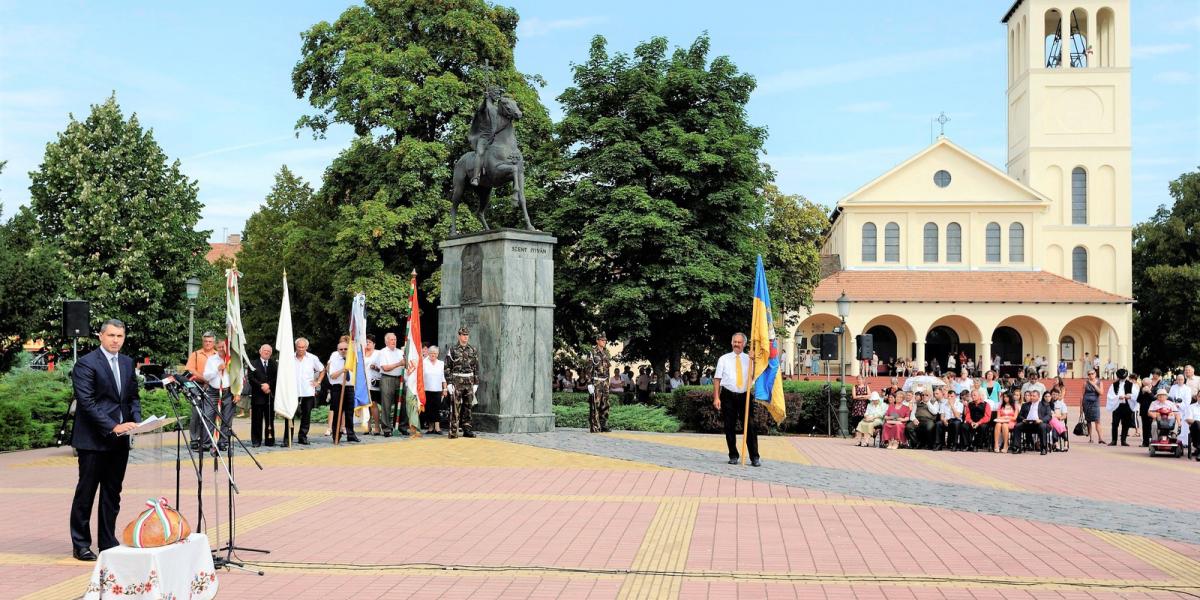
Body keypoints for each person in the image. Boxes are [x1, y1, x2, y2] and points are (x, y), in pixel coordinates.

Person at [69, 319, 141, 561]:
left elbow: (133, 397)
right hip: (93, 440)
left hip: (120, 441)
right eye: (111, 335)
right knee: (86, 492)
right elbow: (87, 404)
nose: (115, 340)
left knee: (112, 492)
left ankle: (108, 542)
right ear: (100, 336)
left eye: (120, 336)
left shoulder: (127, 362)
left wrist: (137, 421)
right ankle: (80, 544)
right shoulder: (86, 364)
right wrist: (113, 425)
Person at [712, 332, 760, 466]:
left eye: (739, 342)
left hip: (745, 395)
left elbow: (756, 375)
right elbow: (717, 379)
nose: (736, 344)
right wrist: (716, 397)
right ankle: (733, 455)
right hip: (728, 396)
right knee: (729, 426)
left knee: (750, 426)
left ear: (744, 344)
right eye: (735, 342)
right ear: (731, 343)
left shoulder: (749, 358)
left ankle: (754, 457)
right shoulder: (724, 359)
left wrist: (754, 361)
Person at [184, 332, 219, 451]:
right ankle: (194, 439)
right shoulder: (196, 354)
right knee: (196, 413)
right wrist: (205, 379)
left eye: (210, 341)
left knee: (209, 414)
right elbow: (190, 370)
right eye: (205, 341)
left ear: (214, 342)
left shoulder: (218, 355)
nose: (208, 343)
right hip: (197, 385)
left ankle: (206, 439)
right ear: (202, 341)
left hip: (213, 387)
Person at [202, 340, 239, 451]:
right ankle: (207, 442)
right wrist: (217, 369)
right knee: (208, 416)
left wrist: (238, 392)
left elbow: (238, 377)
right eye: (219, 347)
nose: (221, 349)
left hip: (228, 392)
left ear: (227, 347)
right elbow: (206, 376)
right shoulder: (211, 360)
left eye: (223, 347)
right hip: (213, 391)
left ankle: (223, 442)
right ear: (216, 347)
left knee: (227, 418)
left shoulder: (233, 360)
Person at [445, 325, 479, 439]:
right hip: (457, 381)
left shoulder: (472, 349)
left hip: (469, 381)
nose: (465, 337)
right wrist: (449, 383)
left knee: (468, 406)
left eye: (467, 335)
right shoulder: (452, 350)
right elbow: (447, 367)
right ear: (459, 336)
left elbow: (476, 367)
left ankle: (467, 429)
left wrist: (476, 383)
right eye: (463, 335)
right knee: (455, 406)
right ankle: (454, 431)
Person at [289, 338, 324, 445]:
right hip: (292, 391)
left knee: (306, 414)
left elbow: (322, 370)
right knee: (290, 414)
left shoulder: (313, 358)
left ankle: (302, 436)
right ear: (296, 347)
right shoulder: (289, 357)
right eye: (299, 347)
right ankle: (288, 438)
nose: (300, 349)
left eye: (303, 347)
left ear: (306, 347)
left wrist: (318, 381)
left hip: (308, 390)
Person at [326, 337, 360, 443]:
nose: (343, 351)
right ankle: (336, 435)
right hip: (338, 387)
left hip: (349, 387)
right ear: (338, 350)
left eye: (346, 349)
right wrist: (343, 370)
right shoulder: (334, 359)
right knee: (337, 412)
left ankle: (351, 434)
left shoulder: (352, 357)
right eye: (341, 349)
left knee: (349, 412)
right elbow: (332, 376)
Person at [247, 343, 276, 447]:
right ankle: (256, 441)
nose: (267, 352)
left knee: (270, 419)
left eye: (269, 351)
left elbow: (276, 378)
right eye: (265, 350)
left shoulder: (274, 364)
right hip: (257, 396)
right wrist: (261, 386)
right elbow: (251, 378)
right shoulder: (253, 363)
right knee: (256, 420)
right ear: (260, 351)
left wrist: (269, 386)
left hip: (269, 396)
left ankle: (270, 440)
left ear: (271, 353)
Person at [582, 333, 612, 433]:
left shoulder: (606, 353)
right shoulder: (592, 353)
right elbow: (588, 369)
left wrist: (608, 382)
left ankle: (604, 425)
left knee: (605, 404)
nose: (604, 342)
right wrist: (589, 383)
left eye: (605, 340)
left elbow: (608, 369)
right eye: (602, 340)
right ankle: (595, 426)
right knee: (595, 405)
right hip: (596, 381)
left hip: (605, 382)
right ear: (597, 341)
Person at [376, 333, 404, 437]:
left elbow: (404, 364)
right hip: (387, 378)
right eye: (391, 339)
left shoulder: (400, 352)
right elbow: (385, 368)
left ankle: (401, 426)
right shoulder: (383, 352)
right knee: (386, 404)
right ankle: (386, 428)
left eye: (395, 339)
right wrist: (399, 364)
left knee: (402, 403)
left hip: (400, 379)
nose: (394, 341)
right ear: (386, 341)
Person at [1013, 389, 1051, 455]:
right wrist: (1023, 419)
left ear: (1038, 397)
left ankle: (1043, 448)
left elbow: (1049, 416)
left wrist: (1041, 420)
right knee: (1017, 426)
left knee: (1042, 426)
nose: (1032, 397)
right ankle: (1017, 448)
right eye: (1031, 396)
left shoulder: (1045, 405)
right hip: (1028, 424)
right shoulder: (1025, 405)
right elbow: (1020, 416)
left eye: (1034, 396)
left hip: (1039, 424)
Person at [1106, 368, 1137, 446]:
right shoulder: (1113, 385)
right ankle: (1114, 440)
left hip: (1127, 405)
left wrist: (1129, 396)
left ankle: (1123, 440)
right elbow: (1110, 395)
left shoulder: (1131, 384)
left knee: (1126, 423)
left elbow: (1136, 394)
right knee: (1115, 423)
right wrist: (1118, 397)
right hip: (1117, 405)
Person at [421, 345, 447, 435]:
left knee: (437, 409)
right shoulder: (424, 362)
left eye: (435, 353)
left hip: (437, 389)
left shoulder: (441, 363)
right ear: (428, 353)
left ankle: (437, 428)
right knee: (428, 409)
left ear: (438, 354)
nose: (433, 355)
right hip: (426, 389)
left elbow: (443, 377)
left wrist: (445, 389)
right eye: (431, 353)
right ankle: (430, 428)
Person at [362, 335, 382, 435]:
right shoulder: (361, 353)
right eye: (366, 342)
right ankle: (367, 426)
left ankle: (377, 427)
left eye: (369, 342)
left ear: (374, 344)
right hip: (363, 383)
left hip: (373, 382)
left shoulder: (378, 353)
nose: (367, 344)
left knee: (373, 404)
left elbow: (382, 367)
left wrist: (376, 367)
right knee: (365, 405)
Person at [1081, 369, 1104, 444]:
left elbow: (1101, 393)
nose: (1091, 375)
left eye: (1092, 373)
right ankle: (1091, 438)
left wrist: (1094, 385)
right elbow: (1082, 395)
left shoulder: (1099, 382)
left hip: (1095, 403)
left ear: (1095, 374)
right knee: (1088, 421)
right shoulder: (1085, 383)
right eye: (1089, 374)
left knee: (1097, 420)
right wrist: (1081, 408)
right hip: (1086, 403)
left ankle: (1100, 438)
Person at [1137, 375, 1155, 447]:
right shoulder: (1141, 389)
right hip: (1144, 411)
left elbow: (1155, 399)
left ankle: (1153, 442)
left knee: (1153, 426)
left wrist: (1150, 392)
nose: (1146, 386)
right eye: (1144, 384)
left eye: (1147, 384)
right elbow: (1138, 400)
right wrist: (1142, 393)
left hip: (1153, 411)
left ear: (1151, 383)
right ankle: (1145, 442)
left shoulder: (1155, 389)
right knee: (1145, 427)